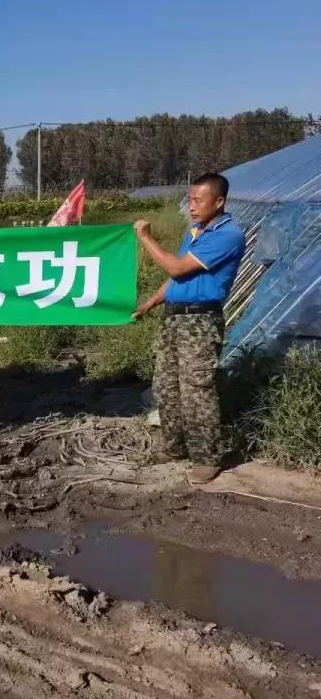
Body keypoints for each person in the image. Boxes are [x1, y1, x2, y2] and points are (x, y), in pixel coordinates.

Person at [133, 172, 245, 485]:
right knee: (166, 386)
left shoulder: (228, 235)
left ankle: (206, 458)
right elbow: (176, 278)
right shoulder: (195, 233)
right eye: (190, 199)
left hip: (199, 321)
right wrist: (150, 303)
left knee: (197, 389)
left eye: (198, 200)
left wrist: (146, 238)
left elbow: (177, 267)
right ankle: (174, 446)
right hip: (174, 318)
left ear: (219, 201)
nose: (192, 206)